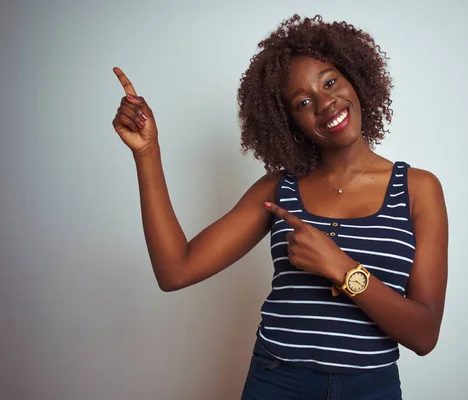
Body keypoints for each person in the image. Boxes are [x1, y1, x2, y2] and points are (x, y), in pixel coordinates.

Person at [111, 14, 448, 400]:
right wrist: (147, 152)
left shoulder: (418, 188)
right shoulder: (279, 188)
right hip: (277, 383)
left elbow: (424, 335)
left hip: (370, 388)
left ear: (354, 77)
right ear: (289, 123)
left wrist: (340, 267)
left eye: (330, 81)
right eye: (303, 102)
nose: (326, 103)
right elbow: (175, 270)